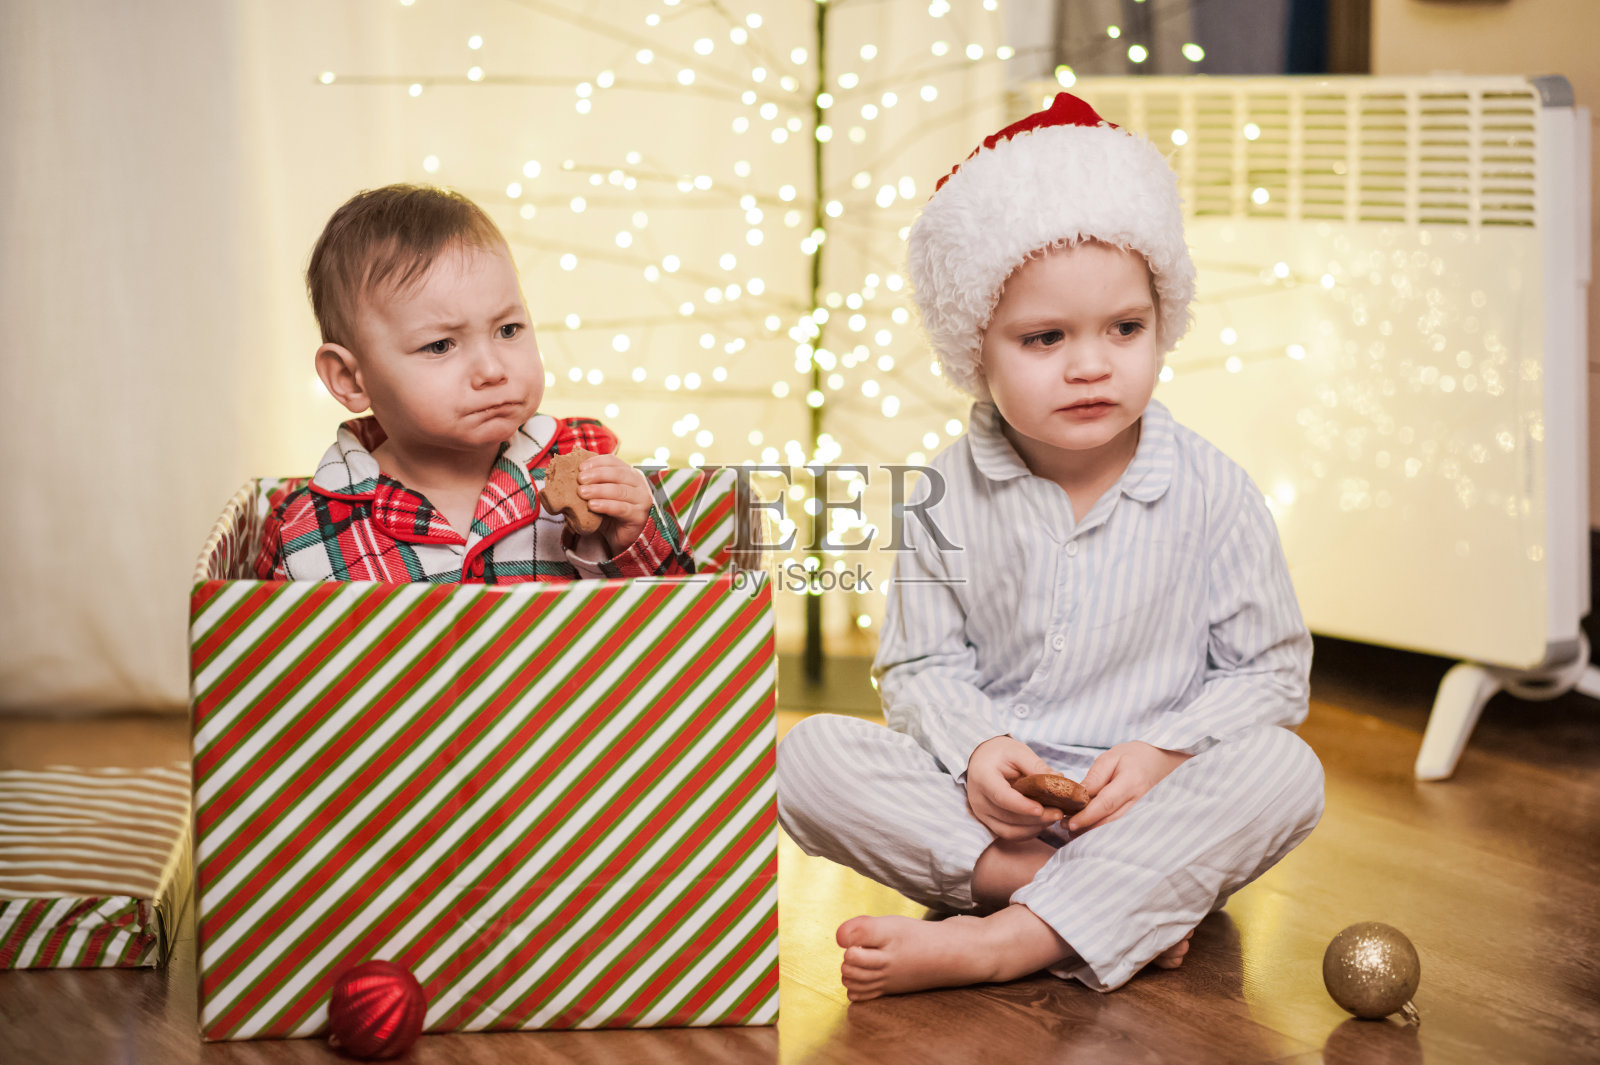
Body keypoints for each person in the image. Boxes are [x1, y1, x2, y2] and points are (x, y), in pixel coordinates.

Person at [776, 93, 1325, 1000]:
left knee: (1287, 772)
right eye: (1044, 338)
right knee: (802, 758)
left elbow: (1270, 675)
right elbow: (918, 664)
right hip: (992, 822)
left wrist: (1164, 755)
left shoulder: (1213, 490)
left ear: (1163, 319)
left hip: (1155, 807)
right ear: (975, 348)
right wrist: (978, 747)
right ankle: (1054, 898)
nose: (1091, 364)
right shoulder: (944, 493)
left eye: (1125, 328)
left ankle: (1005, 943)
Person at [257, 184, 694, 584]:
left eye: (508, 330)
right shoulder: (307, 536)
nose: (491, 369)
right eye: (441, 345)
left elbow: (680, 626)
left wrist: (635, 537)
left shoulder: (589, 473)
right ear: (351, 379)